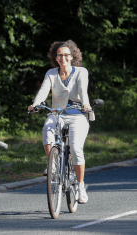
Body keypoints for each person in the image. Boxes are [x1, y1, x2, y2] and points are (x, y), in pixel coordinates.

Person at [28, 40, 91, 204]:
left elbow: (83, 89)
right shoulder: (51, 73)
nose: (62, 57)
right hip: (57, 113)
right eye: (59, 55)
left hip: (78, 115)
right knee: (47, 128)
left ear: (72, 56)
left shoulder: (81, 72)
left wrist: (85, 104)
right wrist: (35, 105)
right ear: (55, 58)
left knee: (76, 148)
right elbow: (43, 91)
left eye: (66, 55)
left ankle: (80, 185)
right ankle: (53, 164)